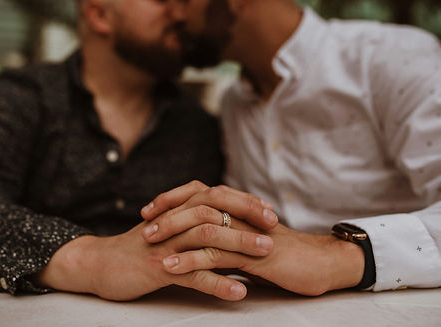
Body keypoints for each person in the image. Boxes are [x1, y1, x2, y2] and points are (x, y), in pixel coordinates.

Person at [0, 0, 280, 301]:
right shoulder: (26, 95)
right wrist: (89, 258)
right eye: (161, 0)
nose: (180, 13)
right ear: (99, 14)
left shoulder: (199, 126)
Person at [140, 0, 441, 295]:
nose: (171, 12)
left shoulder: (394, 59)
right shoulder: (236, 103)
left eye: (180, 0)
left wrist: (335, 257)